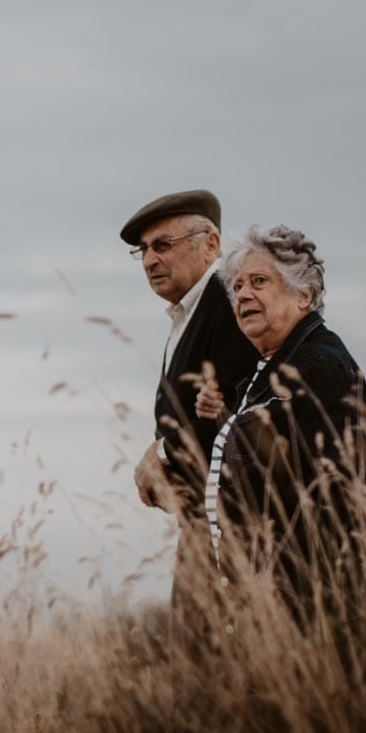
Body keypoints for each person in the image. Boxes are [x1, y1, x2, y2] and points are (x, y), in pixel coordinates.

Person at [190, 224, 366, 671]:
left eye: (259, 281)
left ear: (304, 295)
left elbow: (320, 477)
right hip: (285, 595)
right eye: (237, 287)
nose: (243, 295)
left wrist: (236, 422)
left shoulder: (321, 362)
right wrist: (228, 412)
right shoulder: (278, 365)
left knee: (312, 731)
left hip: (321, 595)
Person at [119, 190, 259, 613]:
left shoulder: (230, 303)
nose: (149, 261)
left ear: (211, 244)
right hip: (204, 522)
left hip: (235, 531)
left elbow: (238, 413)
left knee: (208, 668)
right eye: (142, 250)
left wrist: (160, 453)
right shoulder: (189, 310)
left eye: (163, 245)